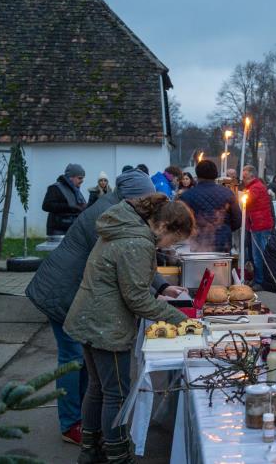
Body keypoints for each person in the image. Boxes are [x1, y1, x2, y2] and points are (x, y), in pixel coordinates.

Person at [26, 169, 181, 446]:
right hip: (63, 291)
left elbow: (129, 262)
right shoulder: (109, 214)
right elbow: (130, 261)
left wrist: (159, 286)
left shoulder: (120, 211)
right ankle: (71, 423)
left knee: (93, 375)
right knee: (73, 362)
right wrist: (163, 303)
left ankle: (90, 426)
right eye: (148, 199)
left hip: (77, 292)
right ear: (134, 198)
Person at [64, 195, 194, 462]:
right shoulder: (137, 242)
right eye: (175, 239)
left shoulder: (126, 229)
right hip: (106, 325)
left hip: (90, 317)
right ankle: (117, 453)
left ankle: (90, 450)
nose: (170, 247)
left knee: (98, 388)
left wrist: (160, 291)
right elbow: (136, 298)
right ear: (164, 226)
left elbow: (129, 281)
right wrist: (180, 319)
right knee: (116, 393)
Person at [179, 160, 242, 252]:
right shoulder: (228, 193)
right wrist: (224, 229)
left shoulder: (186, 196)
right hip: (223, 244)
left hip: (198, 244)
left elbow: (182, 223)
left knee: (199, 266)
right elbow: (237, 220)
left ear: (197, 175)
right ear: (215, 174)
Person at [242, 165, 275, 287]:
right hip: (257, 224)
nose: (243, 179)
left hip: (259, 226)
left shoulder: (255, 188)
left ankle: (261, 281)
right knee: (257, 255)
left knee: (259, 256)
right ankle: (259, 279)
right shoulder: (254, 187)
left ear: (251, 176)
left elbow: (246, 201)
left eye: (244, 177)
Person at [43, 164, 87, 235]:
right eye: (80, 178)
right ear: (71, 177)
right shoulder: (55, 188)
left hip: (71, 229)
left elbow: (76, 207)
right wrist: (71, 206)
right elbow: (46, 205)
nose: (82, 181)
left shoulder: (75, 190)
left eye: (82, 178)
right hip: (58, 231)